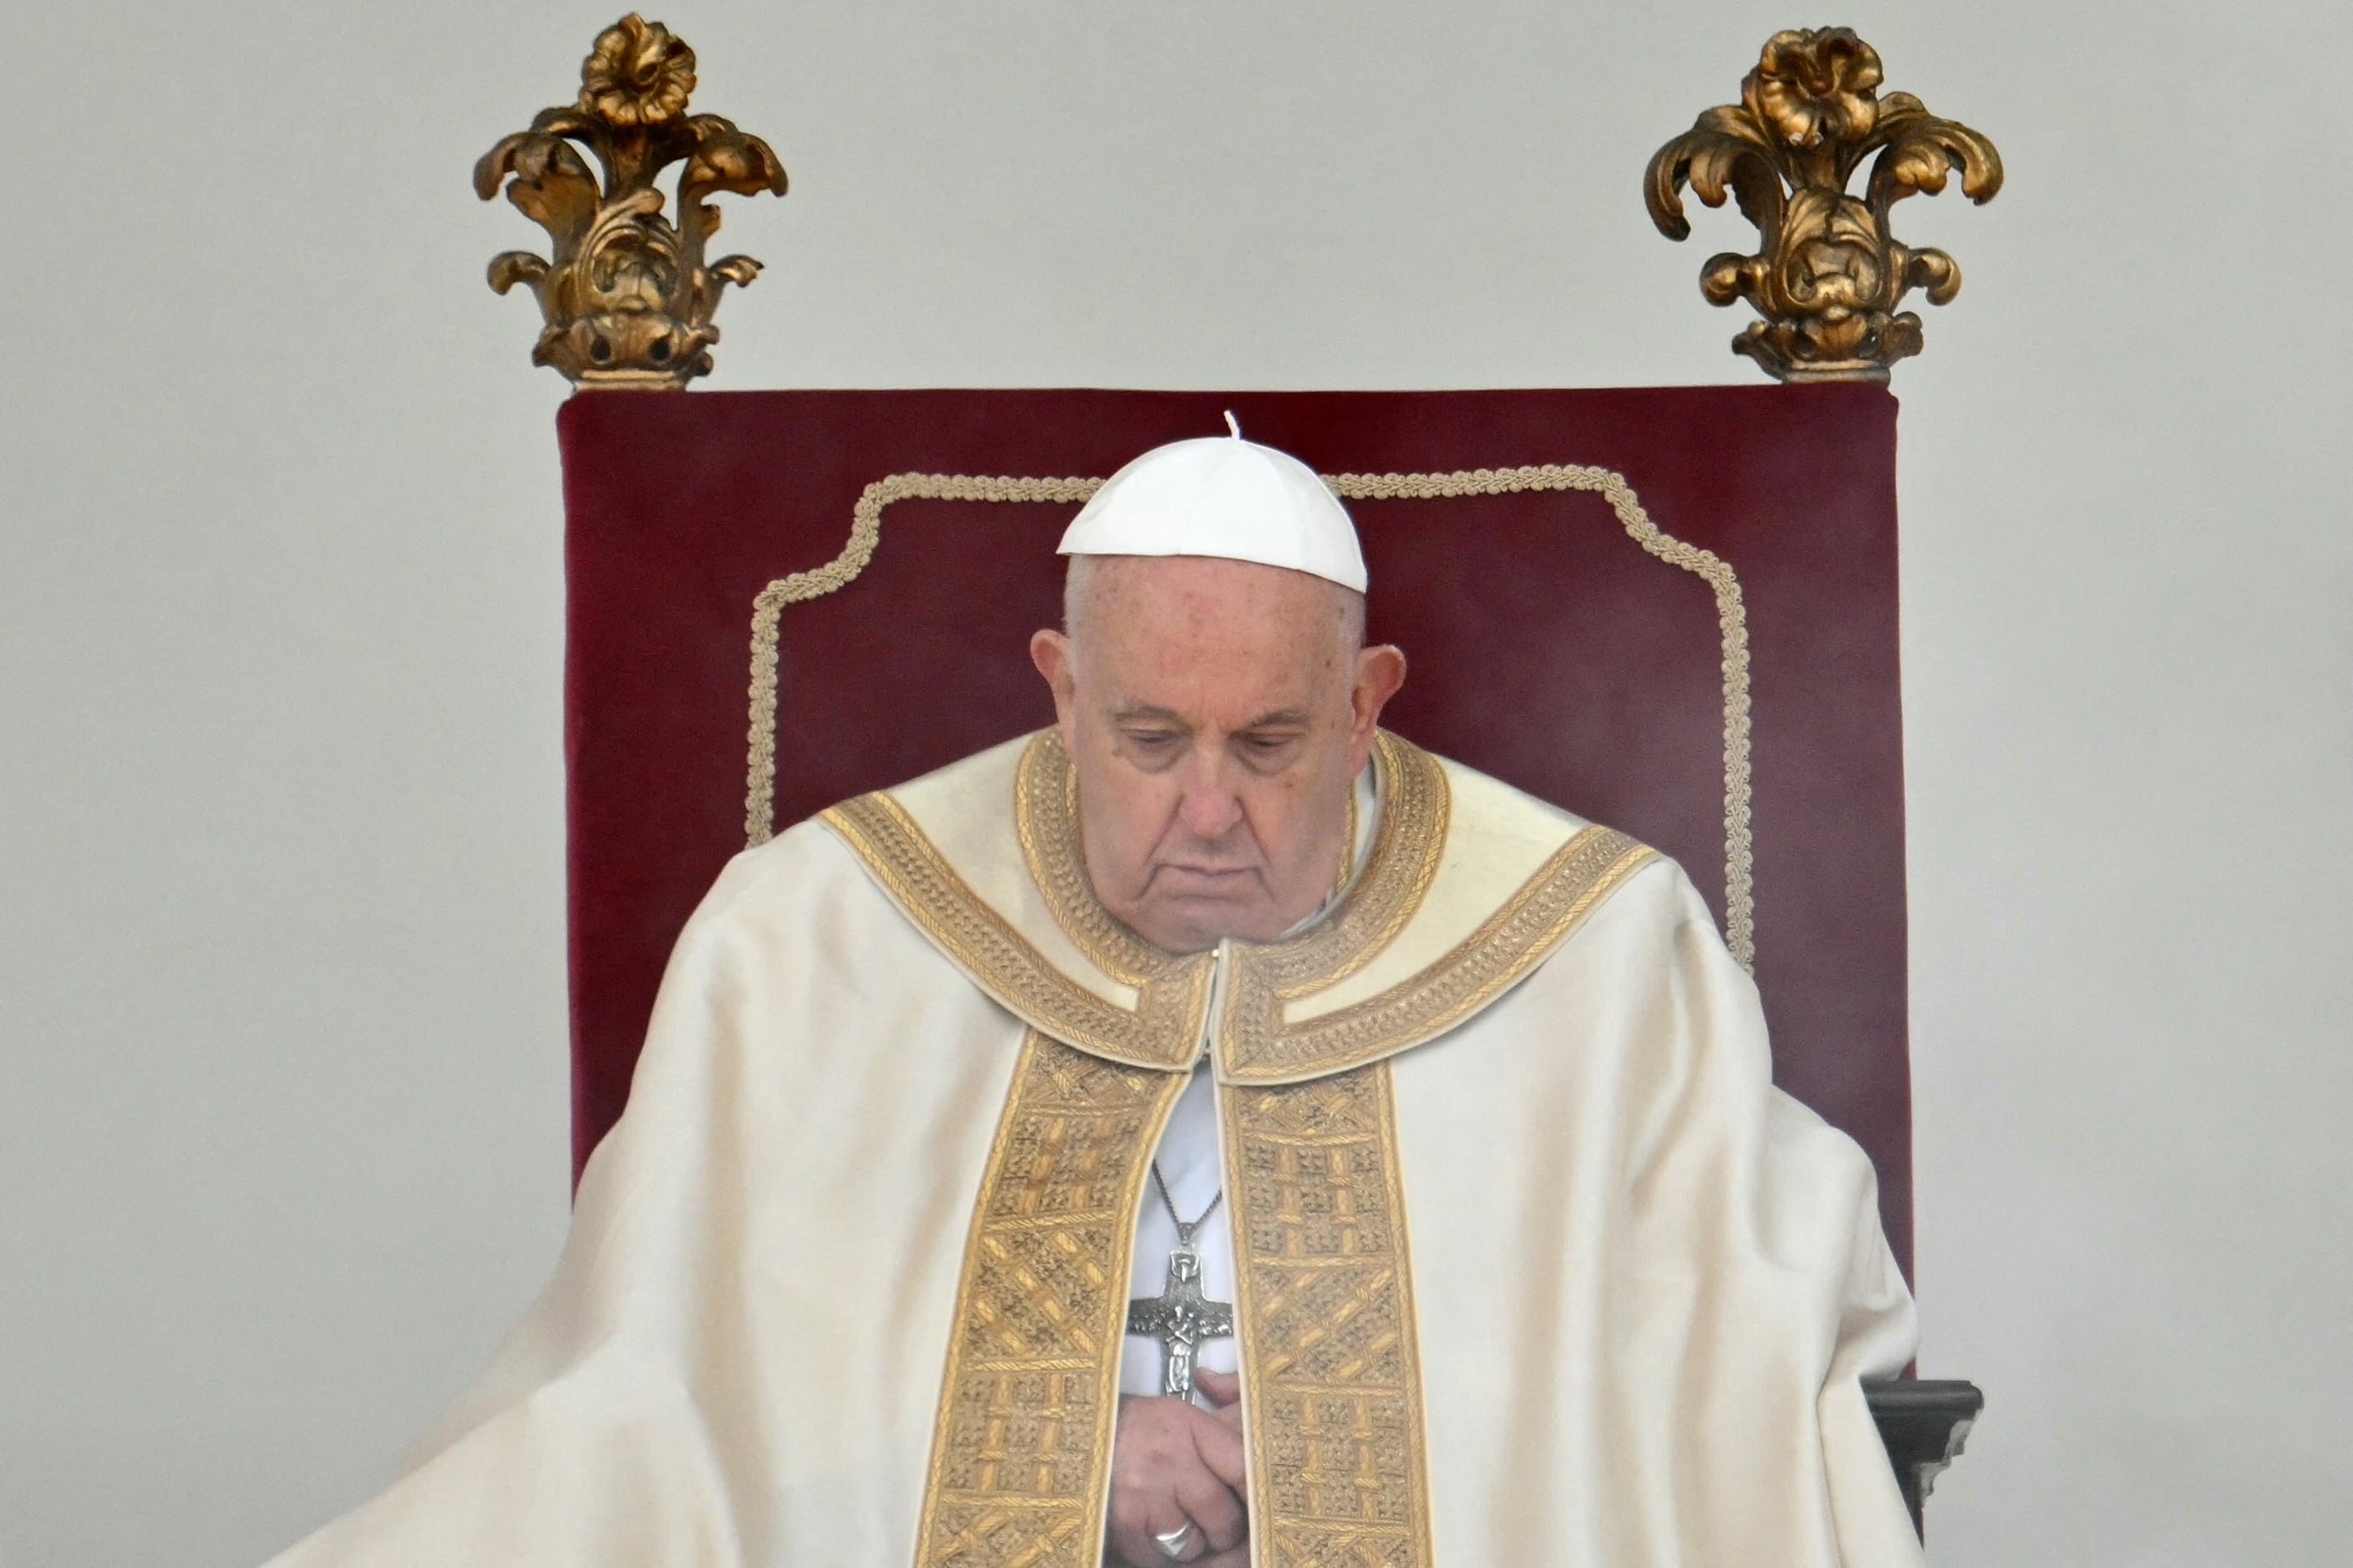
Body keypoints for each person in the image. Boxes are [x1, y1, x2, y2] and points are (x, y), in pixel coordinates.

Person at [268, 427, 1923, 1567]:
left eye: (1269, 743)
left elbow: (1726, 1369)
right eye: (1148, 739)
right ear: (1060, 692)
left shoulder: (1600, 955)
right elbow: (663, 1391)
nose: (1208, 809)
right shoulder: (819, 938)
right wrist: (1059, 1460)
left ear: (1365, 704)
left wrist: (1373, 1454)